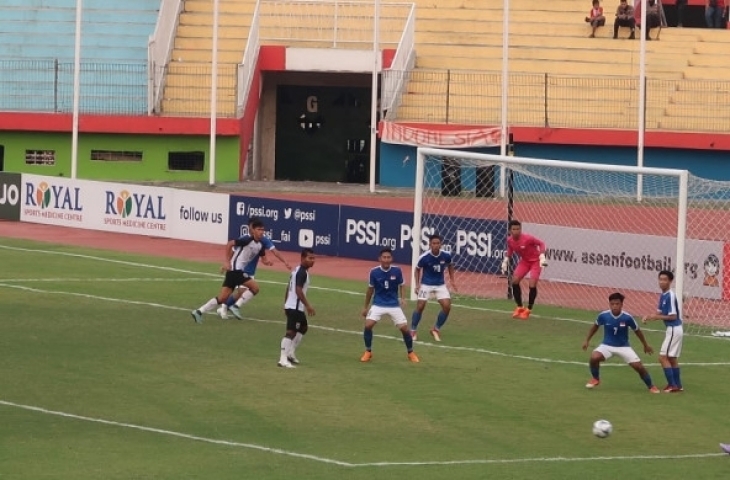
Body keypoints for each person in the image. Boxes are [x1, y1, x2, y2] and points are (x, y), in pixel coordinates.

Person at [191, 219, 266, 324]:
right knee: (255, 288)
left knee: (222, 298)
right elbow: (230, 244)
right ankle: (235, 306)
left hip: (233, 272)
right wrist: (226, 262)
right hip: (236, 270)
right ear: (253, 230)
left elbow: (263, 257)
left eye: (263, 230)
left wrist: (267, 262)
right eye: (259, 229)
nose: (261, 232)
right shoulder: (246, 240)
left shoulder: (261, 245)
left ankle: (198, 311)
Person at [582, 292, 660, 393]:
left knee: (639, 367)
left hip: (624, 347)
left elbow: (637, 331)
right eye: (612, 304)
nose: (614, 306)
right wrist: (587, 340)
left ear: (622, 304)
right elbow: (595, 327)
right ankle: (595, 379)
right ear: (609, 304)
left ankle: (651, 386)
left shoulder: (627, 317)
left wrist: (645, 345)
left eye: (617, 304)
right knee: (594, 357)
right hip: (606, 346)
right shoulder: (603, 316)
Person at [217, 217, 292, 320]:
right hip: (240, 269)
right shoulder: (244, 238)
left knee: (241, 293)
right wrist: (226, 263)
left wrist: (280, 262)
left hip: (250, 270)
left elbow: (271, 253)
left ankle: (225, 307)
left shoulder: (263, 240)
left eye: (260, 229)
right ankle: (229, 307)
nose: (254, 230)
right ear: (250, 228)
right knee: (245, 291)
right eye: (254, 228)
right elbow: (233, 251)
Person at [360, 248, 419, 363]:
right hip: (378, 304)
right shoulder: (374, 272)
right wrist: (365, 307)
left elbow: (402, 285)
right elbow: (370, 290)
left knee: (405, 329)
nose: (386, 260)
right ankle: (368, 352)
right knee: (368, 325)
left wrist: (402, 298)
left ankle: (411, 352)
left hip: (393, 305)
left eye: (388, 257)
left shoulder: (397, 271)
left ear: (391, 259)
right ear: (380, 259)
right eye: (384, 257)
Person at [642, 270, 684, 393]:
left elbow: (673, 316)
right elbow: (660, 313)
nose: (662, 282)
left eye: (665, 280)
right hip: (673, 330)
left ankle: (672, 385)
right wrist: (649, 316)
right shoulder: (663, 295)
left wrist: (657, 317)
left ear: (670, 281)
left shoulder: (670, 295)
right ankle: (678, 385)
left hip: (673, 329)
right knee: (671, 358)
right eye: (660, 279)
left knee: (662, 357)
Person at [410, 234, 457, 342]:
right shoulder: (424, 257)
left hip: (440, 284)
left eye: (438, 243)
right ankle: (413, 330)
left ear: (441, 244)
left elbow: (450, 265)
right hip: (426, 284)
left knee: (447, 306)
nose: (436, 245)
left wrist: (452, 280)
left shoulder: (446, 255)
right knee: (420, 306)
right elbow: (417, 269)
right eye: (434, 243)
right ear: (430, 244)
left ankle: (436, 329)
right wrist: (417, 284)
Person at [500, 220, 547, 320]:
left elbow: (541, 243)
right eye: (514, 229)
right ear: (510, 230)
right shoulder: (509, 240)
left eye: (518, 229)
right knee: (514, 281)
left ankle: (528, 309)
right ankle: (520, 307)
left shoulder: (528, 238)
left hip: (535, 262)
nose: (516, 231)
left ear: (520, 229)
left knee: (532, 284)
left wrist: (542, 255)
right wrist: (506, 260)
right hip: (525, 262)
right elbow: (510, 249)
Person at [278, 248, 316, 368]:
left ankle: (290, 353)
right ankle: (282, 359)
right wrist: (308, 305)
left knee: (303, 327)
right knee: (291, 332)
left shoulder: (297, 271)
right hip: (295, 307)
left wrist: (285, 304)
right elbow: (298, 290)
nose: (312, 261)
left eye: (313, 258)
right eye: (309, 258)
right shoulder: (301, 273)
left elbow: (287, 287)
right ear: (302, 258)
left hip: (293, 306)